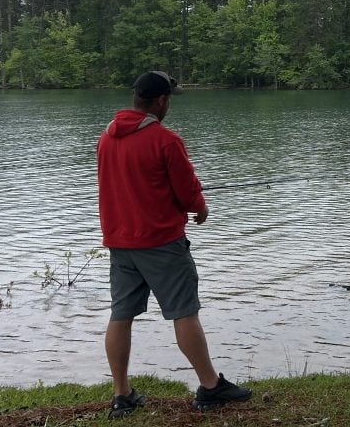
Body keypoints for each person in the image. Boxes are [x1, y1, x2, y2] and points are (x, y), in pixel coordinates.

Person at [96, 70, 251, 418]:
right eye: (169, 100)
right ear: (161, 101)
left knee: (121, 314)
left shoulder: (106, 138)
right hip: (161, 242)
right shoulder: (164, 140)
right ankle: (211, 387)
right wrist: (200, 207)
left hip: (120, 242)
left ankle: (122, 394)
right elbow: (186, 189)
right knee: (184, 312)